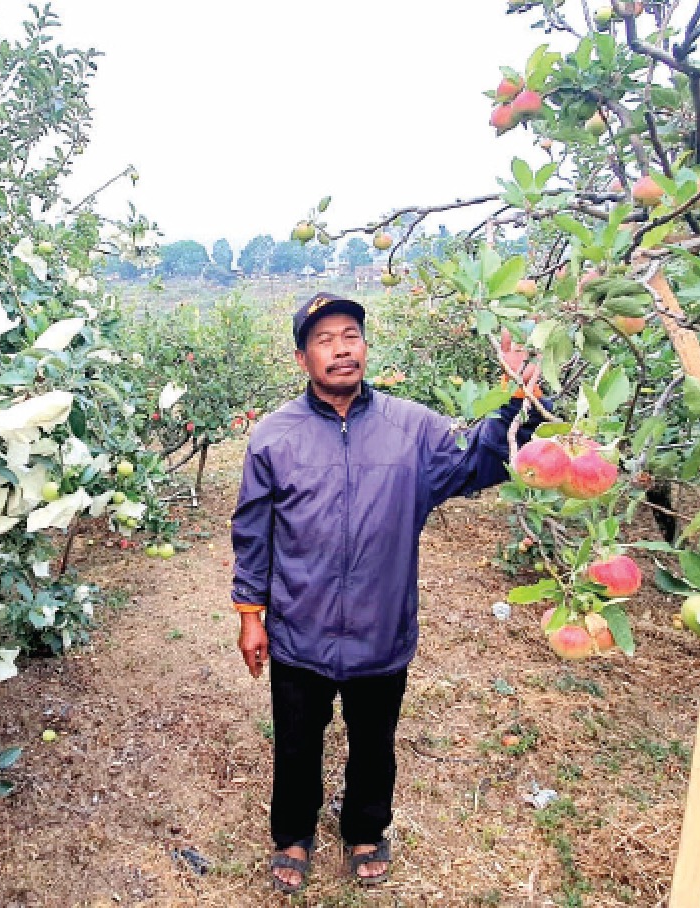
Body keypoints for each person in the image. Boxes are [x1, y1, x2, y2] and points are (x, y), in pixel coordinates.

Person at [229, 291, 544, 893]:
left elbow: (482, 461)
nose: (341, 348)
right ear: (303, 359)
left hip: (382, 627)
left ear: (365, 346)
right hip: (300, 628)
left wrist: (520, 401)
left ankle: (365, 829)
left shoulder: (412, 429)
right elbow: (253, 532)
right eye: (324, 339)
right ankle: (293, 833)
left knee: (375, 741)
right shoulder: (274, 437)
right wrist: (251, 614)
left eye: (350, 334)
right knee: (297, 742)